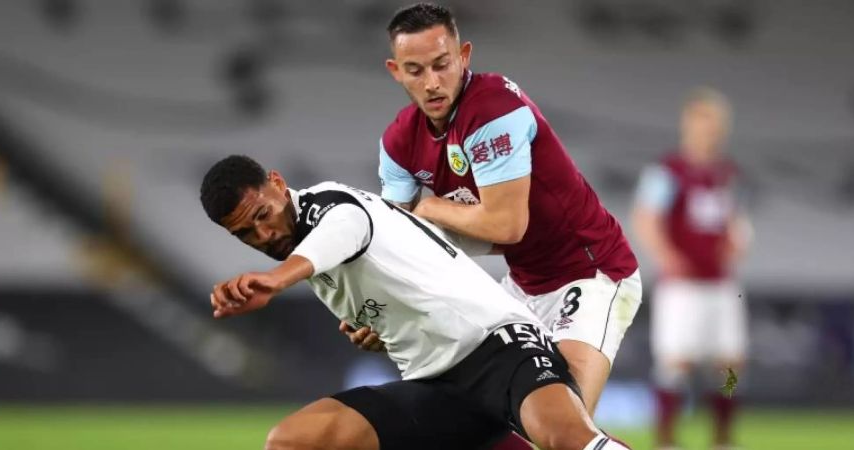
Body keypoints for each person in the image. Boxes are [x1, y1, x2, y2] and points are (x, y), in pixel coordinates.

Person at [200, 155, 631, 450]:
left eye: (263, 216)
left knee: (568, 439)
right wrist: (379, 329)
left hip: (498, 348)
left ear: (276, 183)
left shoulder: (330, 206)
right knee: (293, 442)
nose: (265, 235)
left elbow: (345, 230)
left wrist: (274, 280)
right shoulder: (307, 248)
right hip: (436, 385)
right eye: (246, 234)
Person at [345, 2, 643, 428]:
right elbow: (396, 244)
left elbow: (507, 225)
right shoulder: (398, 142)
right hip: (521, 285)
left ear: (464, 55)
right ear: (395, 70)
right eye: (415, 70)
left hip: (591, 271)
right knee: (490, 422)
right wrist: (379, 313)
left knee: (565, 423)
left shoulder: (493, 110)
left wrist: (429, 206)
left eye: (441, 65)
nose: (431, 82)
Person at [632, 88, 751, 450]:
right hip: (682, 285)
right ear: (688, 126)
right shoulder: (668, 171)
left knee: (730, 365)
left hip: (720, 282)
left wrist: (738, 239)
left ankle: (722, 436)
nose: (708, 131)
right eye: (701, 123)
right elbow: (646, 217)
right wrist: (666, 255)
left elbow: (735, 220)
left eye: (713, 124)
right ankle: (666, 436)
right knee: (675, 361)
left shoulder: (726, 173)